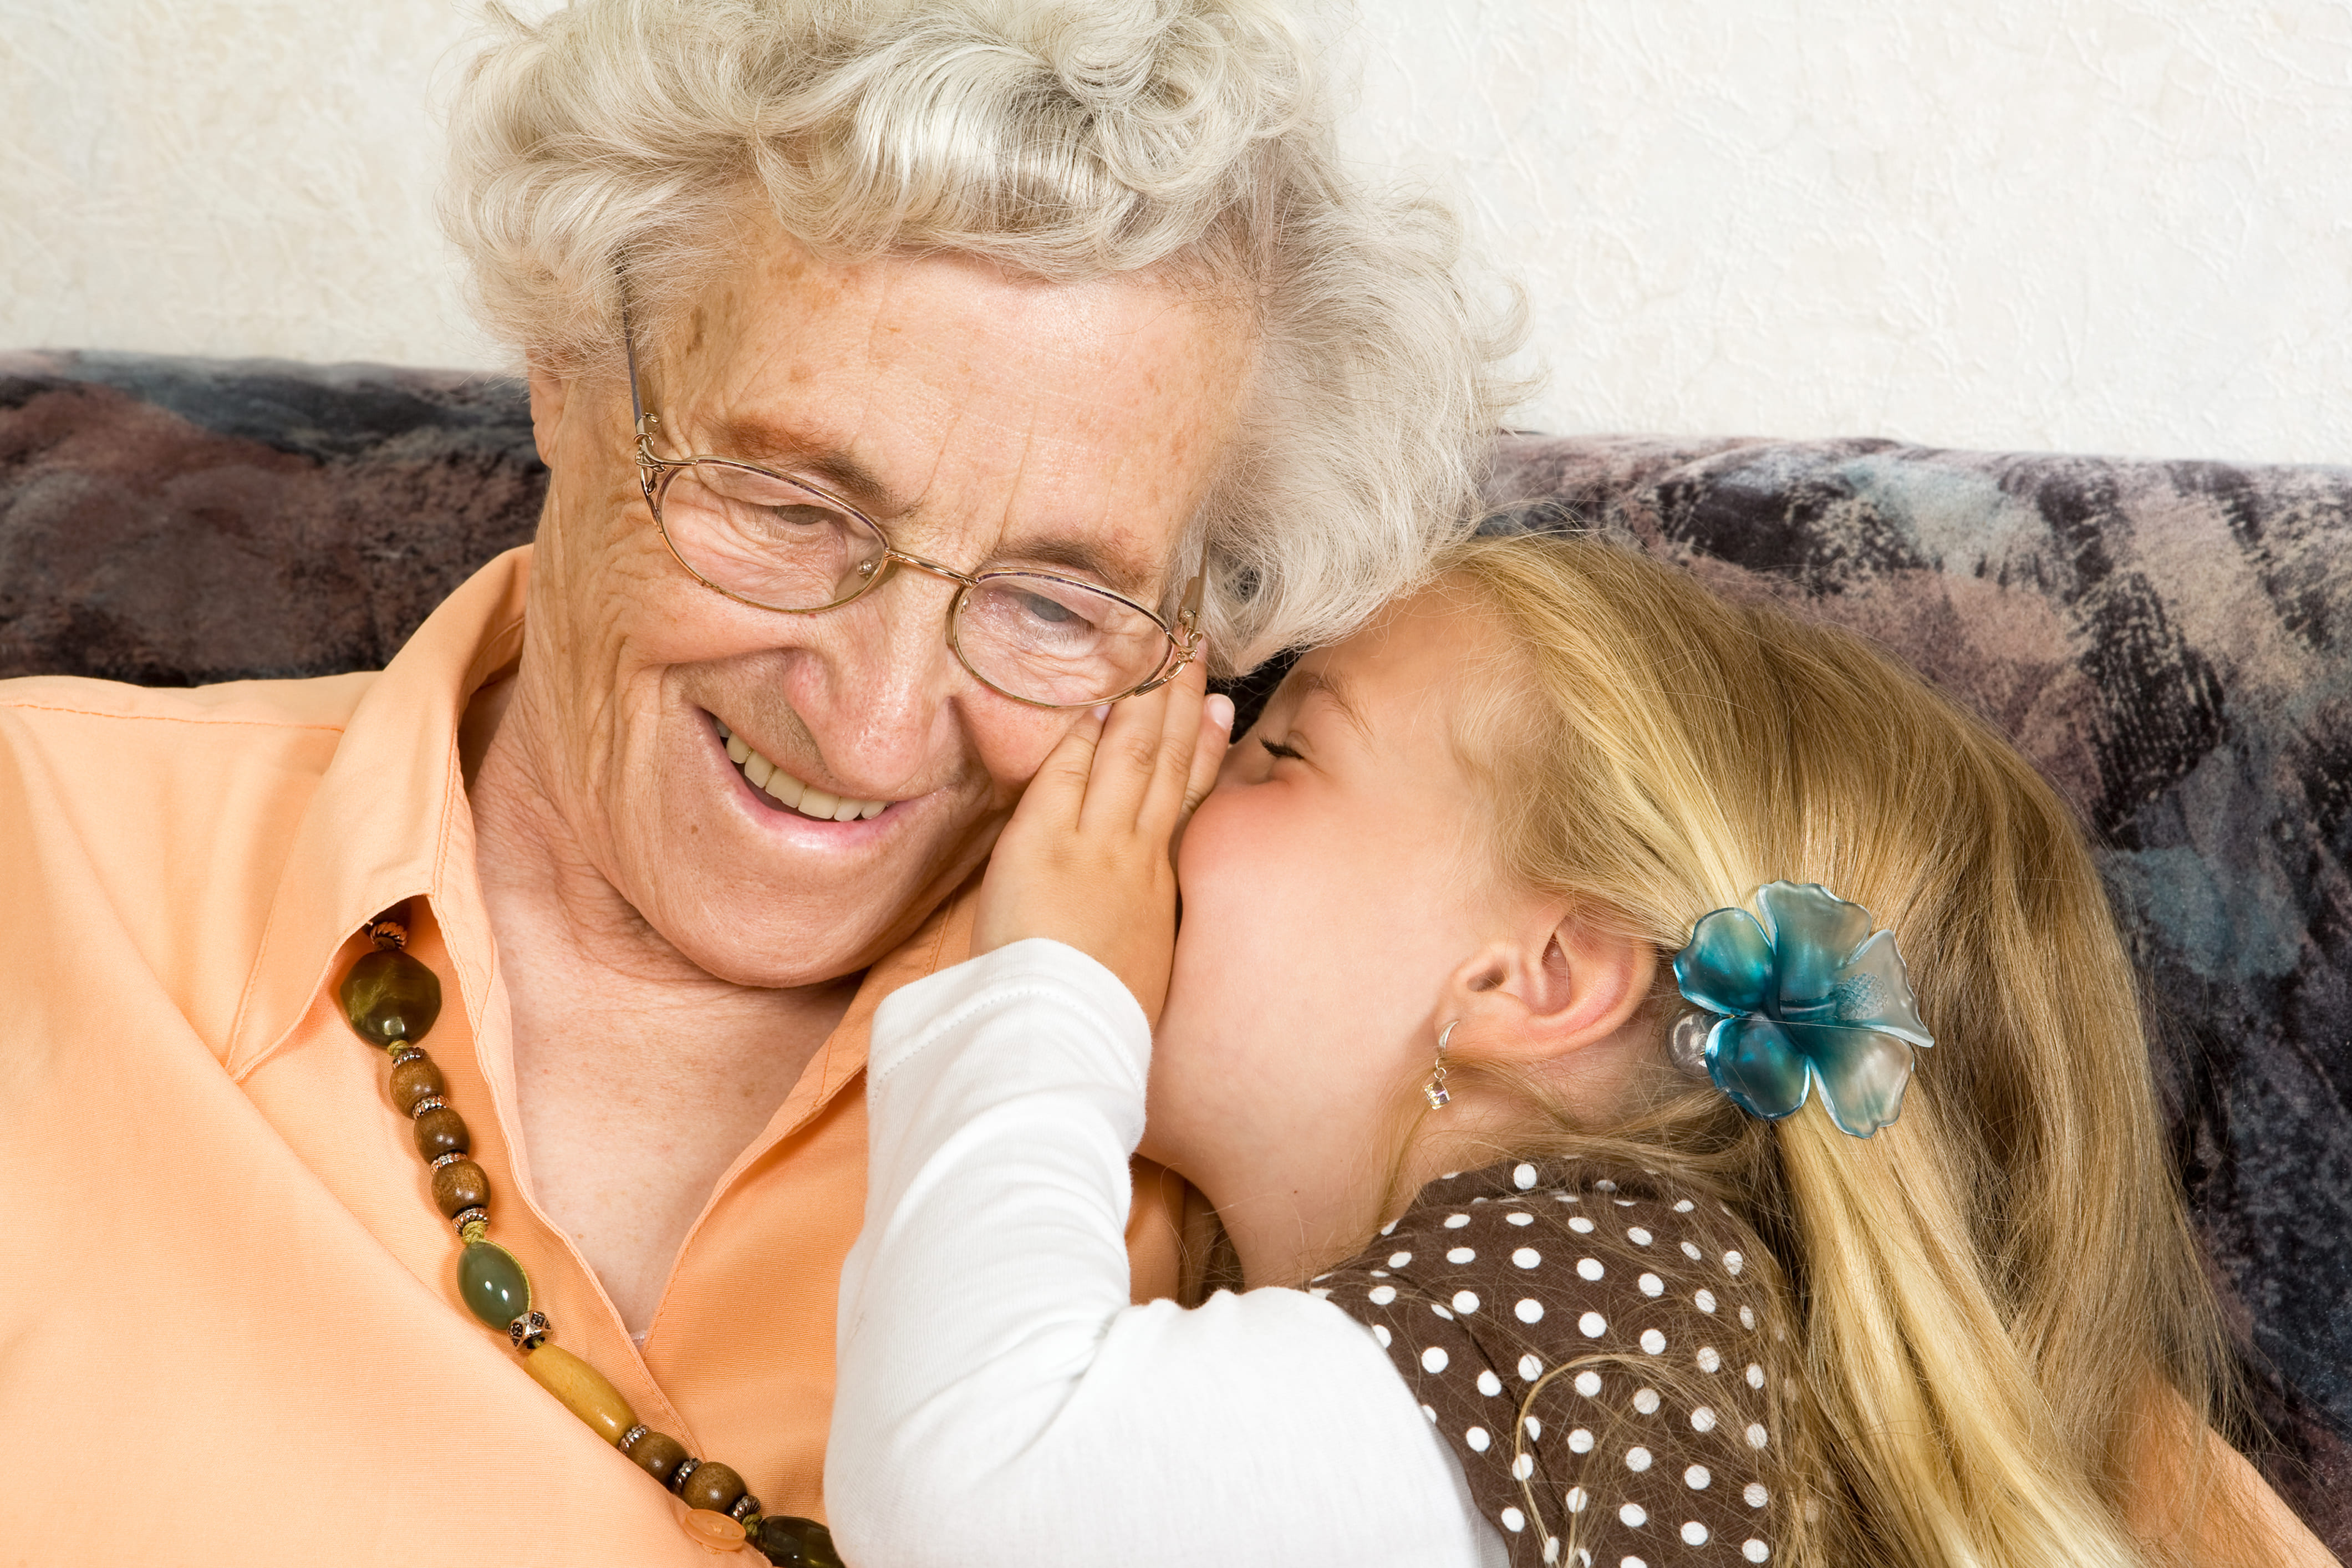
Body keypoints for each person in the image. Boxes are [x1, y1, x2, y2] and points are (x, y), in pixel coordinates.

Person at [0, 2, 1515, 1561]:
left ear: (1197, 634)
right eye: (791, 508)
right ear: (573, 375)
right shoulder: (39, 848)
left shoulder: (1274, 1104)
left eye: (1054, 606)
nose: (868, 726)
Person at [826, 532, 2340, 1567]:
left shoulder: (1591, 1306)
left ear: (1535, 976)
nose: (1197, 755)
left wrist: (1041, 984)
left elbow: (975, 1495)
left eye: (1289, 746)